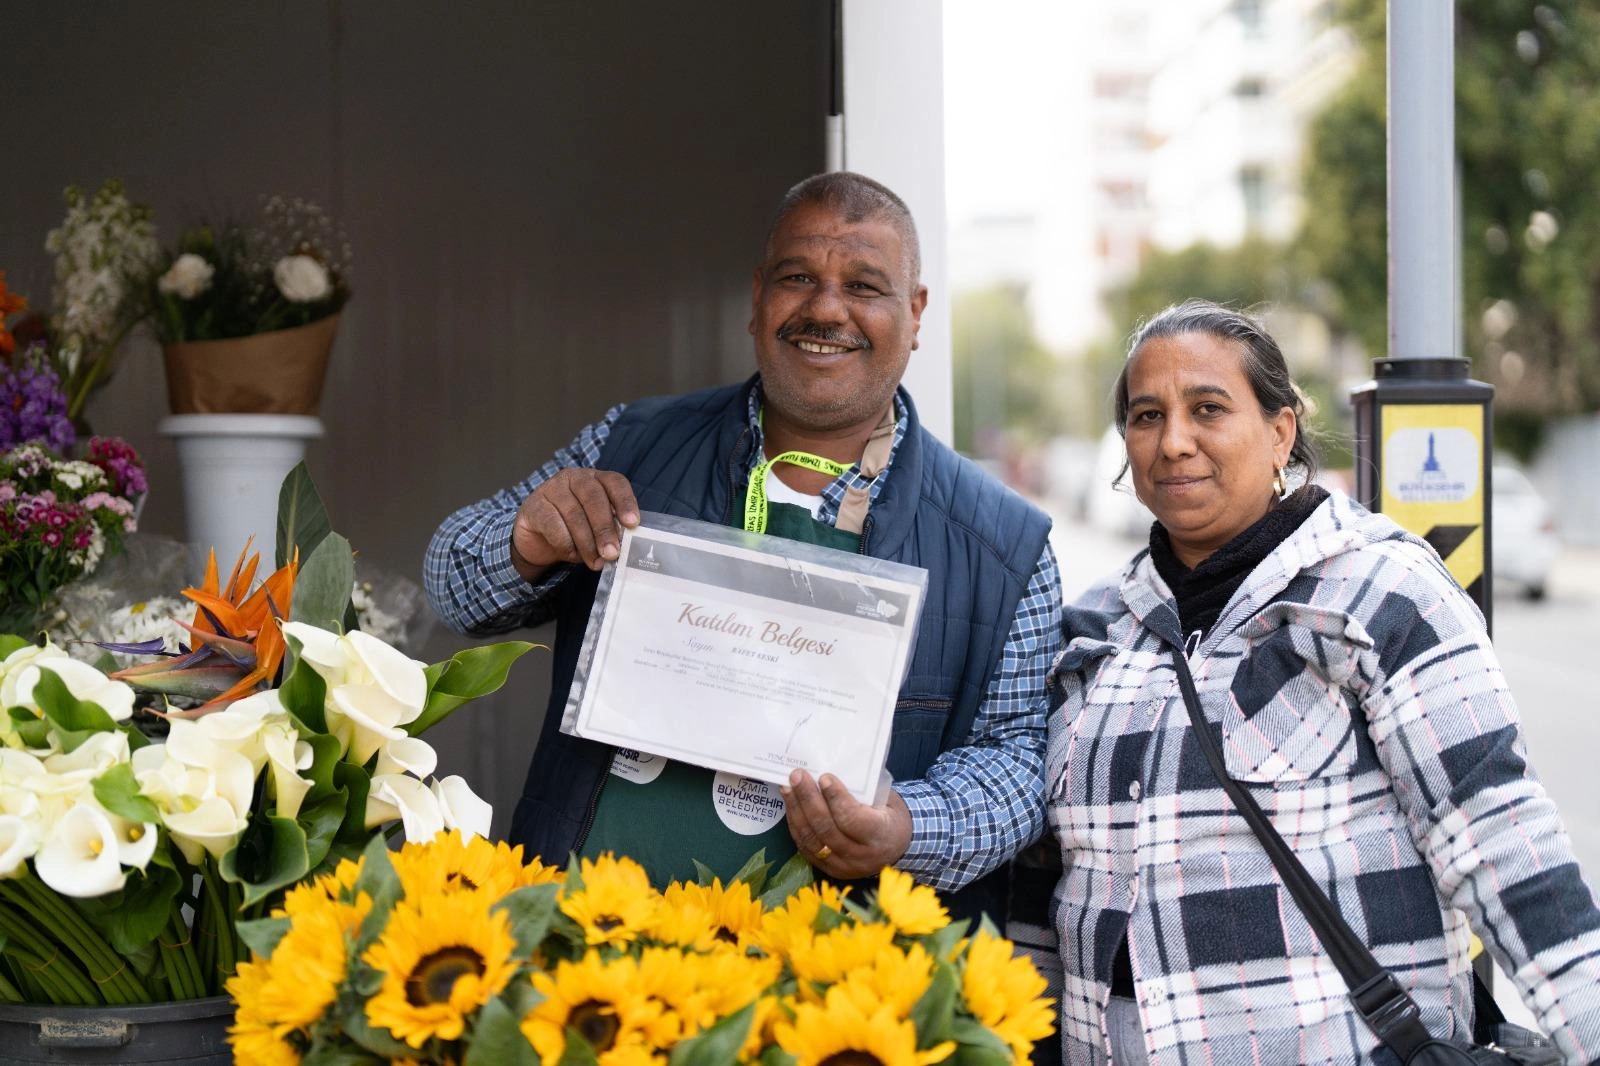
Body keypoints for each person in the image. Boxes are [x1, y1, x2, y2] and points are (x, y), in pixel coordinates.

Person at [424, 171, 1061, 921]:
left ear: (915, 313)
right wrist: (526, 538)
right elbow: (449, 581)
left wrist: (906, 826)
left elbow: (1019, 767)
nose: (826, 308)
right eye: (799, 277)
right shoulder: (630, 444)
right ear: (759, 297)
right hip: (587, 963)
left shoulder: (1004, 547)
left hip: (838, 999)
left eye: (864, 285)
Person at [1041, 300, 1600, 1064]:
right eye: (1146, 416)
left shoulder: (1382, 591)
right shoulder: (1095, 629)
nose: (1173, 442)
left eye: (1208, 408)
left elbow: (1500, 838)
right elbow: (1048, 889)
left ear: (1281, 432)